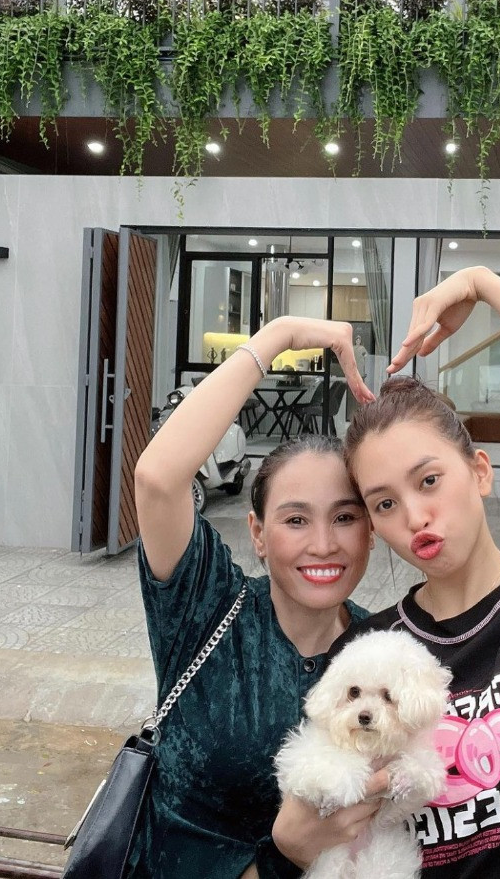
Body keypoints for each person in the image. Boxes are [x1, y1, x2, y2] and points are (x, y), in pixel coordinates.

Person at [277, 266, 500, 878]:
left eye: (429, 480)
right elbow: (329, 820)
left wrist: (481, 284)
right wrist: (294, 841)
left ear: (479, 471)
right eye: (384, 504)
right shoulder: (371, 653)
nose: (414, 516)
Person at [130, 317, 388, 879]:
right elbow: (156, 479)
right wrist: (279, 336)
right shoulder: (206, 607)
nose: (324, 544)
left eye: (345, 517)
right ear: (258, 533)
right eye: (295, 519)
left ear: (370, 529)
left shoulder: (382, 651)